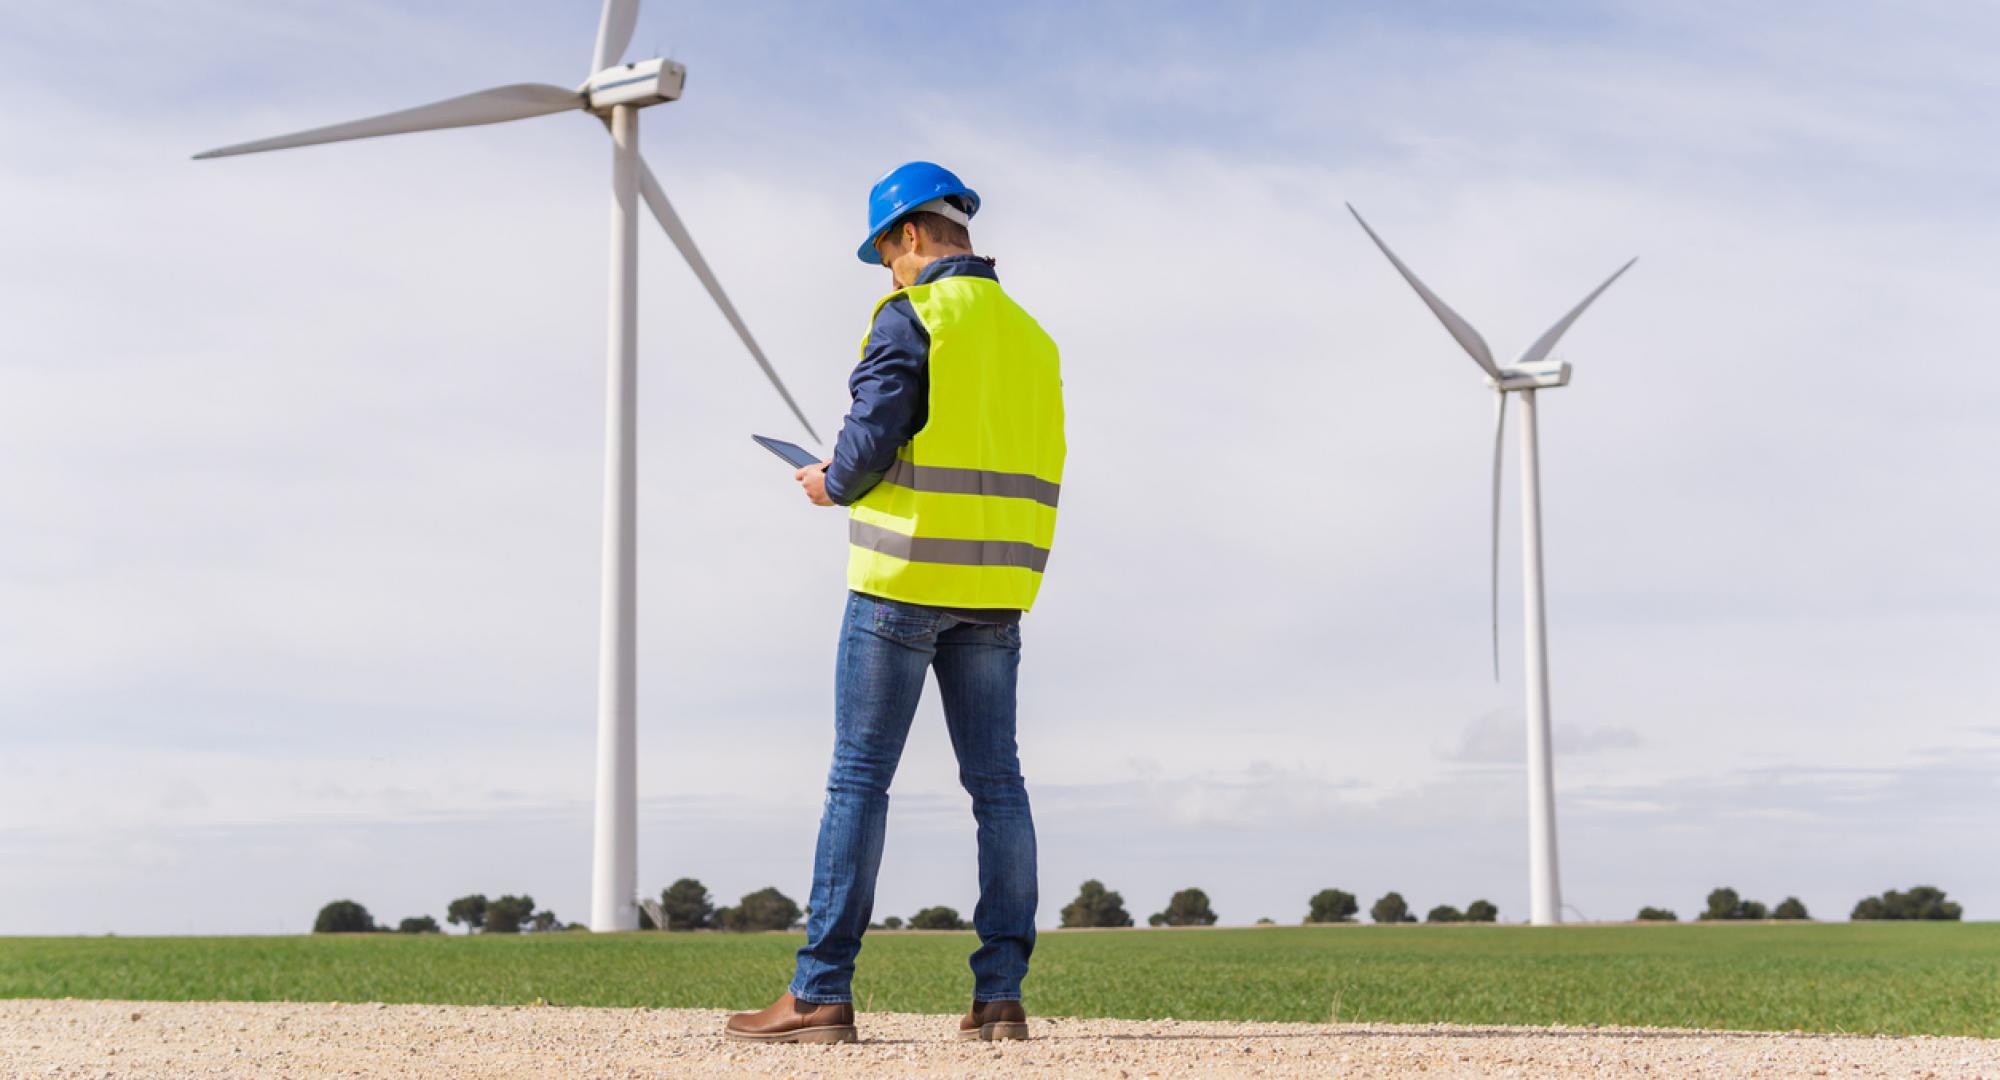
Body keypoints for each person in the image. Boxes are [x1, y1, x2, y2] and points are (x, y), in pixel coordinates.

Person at [724, 162, 1066, 1045]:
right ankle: (1000, 998)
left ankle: (819, 993)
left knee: (858, 781)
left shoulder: (911, 316)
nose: (888, 271)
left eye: (885, 253)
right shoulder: (1033, 337)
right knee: (999, 787)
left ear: (908, 235)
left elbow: (872, 437)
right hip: (996, 592)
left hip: (903, 581)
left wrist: (829, 482)